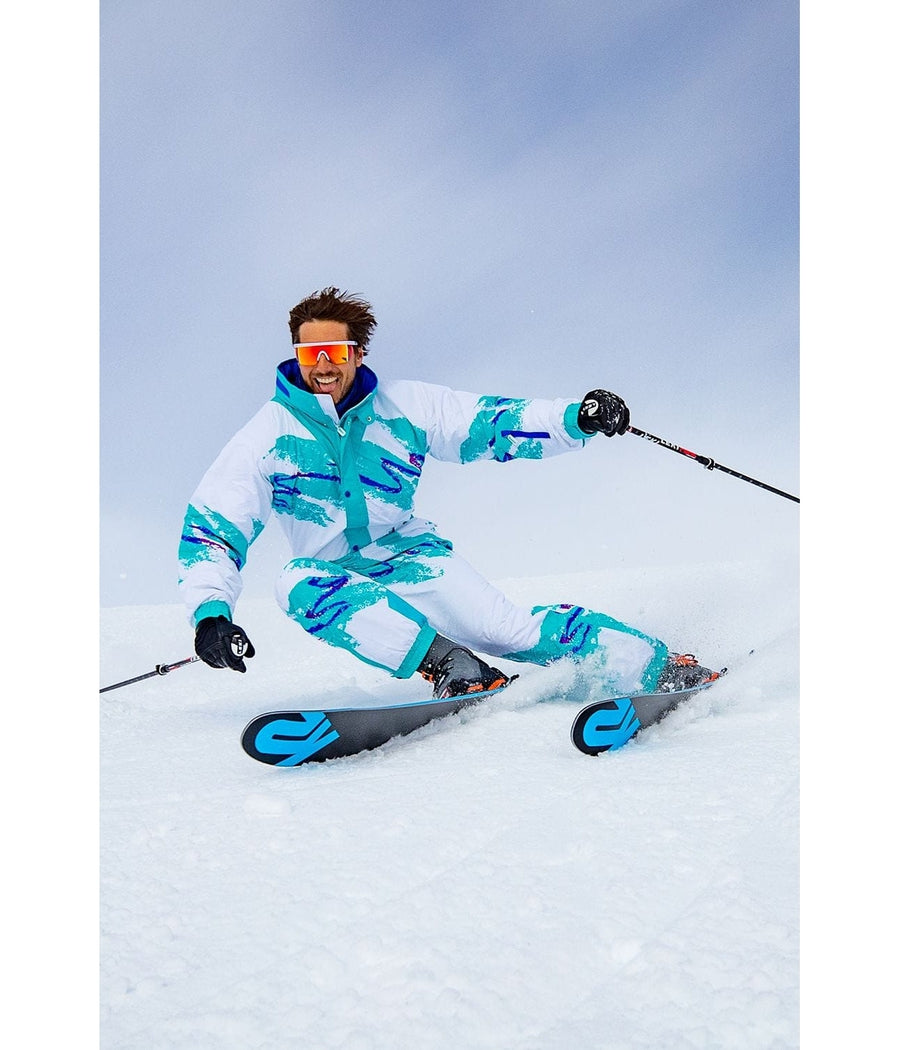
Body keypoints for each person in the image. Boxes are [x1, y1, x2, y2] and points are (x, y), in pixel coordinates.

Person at [179, 287, 718, 699]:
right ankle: (451, 665)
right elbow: (213, 529)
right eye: (311, 351)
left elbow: (487, 423)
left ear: (358, 354)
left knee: (508, 630)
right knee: (294, 582)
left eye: (336, 351)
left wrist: (575, 418)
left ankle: (655, 665)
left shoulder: (405, 406)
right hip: (335, 574)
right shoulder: (266, 437)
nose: (323, 364)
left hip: (412, 557)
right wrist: (211, 615)